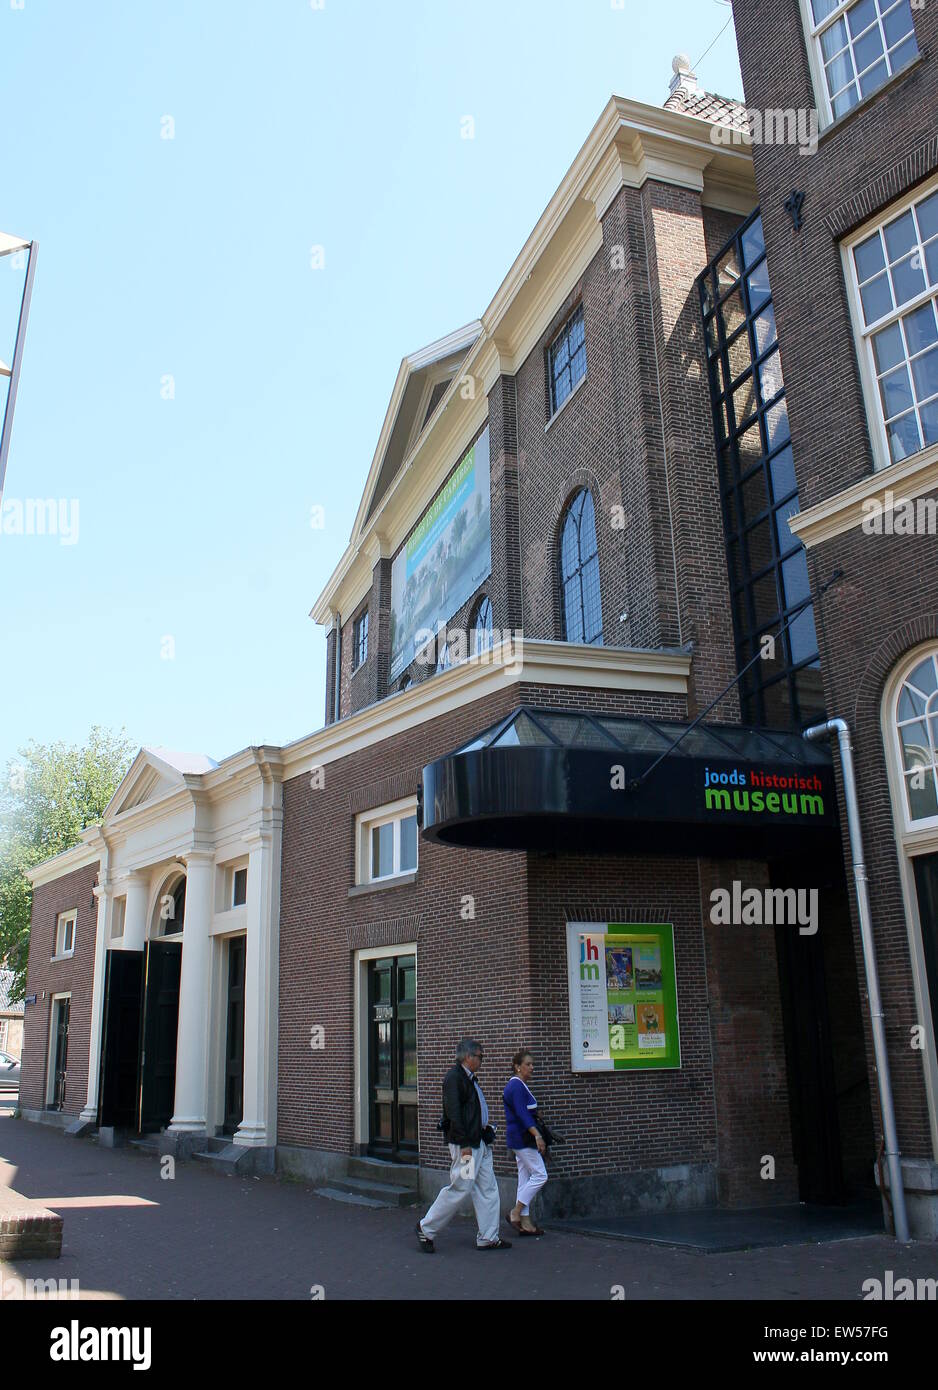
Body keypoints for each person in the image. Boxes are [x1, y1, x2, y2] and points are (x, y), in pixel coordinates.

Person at [415, 1037, 512, 1253]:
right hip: (468, 1145)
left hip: (480, 1143)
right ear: (468, 1057)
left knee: (488, 1188)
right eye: (480, 1056)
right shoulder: (454, 1078)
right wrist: (465, 1143)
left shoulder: (468, 1078)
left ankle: (488, 1237)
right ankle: (425, 1227)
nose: (482, 1060)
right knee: (461, 1187)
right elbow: (454, 1113)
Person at [502, 1048, 548, 1236]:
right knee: (540, 1176)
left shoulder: (520, 1085)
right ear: (517, 1067)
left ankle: (526, 1222)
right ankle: (516, 1212)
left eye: (532, 1064)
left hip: (519, 1138)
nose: (532, 1067)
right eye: (528, 1064)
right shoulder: (516, 1086)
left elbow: (524, 1111)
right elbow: (521, 1114)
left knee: (525, 1178)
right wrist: (537, 1135)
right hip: (522, 1139)